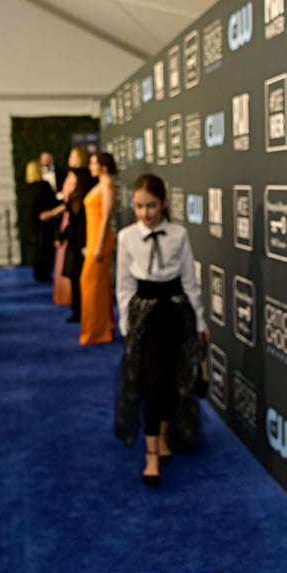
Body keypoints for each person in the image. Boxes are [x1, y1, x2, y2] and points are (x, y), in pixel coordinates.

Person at [115, 173, 209, 486]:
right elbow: (124, 286)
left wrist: (199, 320)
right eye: (139, 206)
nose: (145, 213)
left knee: (172, 379)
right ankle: (151, 455)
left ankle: (165, 437)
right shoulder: (126, 237)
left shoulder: (179, 235)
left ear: (164, 203)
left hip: (175, 313)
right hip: (145, 315)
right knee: (150, 383)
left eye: (151, 205)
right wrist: (126, 324)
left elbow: (190, 281)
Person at [79, 151, 118, 344]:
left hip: (100, 240)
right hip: (93, 239)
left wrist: (100, 246)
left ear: (103, 165)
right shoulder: (100, 185)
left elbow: (106, 218)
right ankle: (101, 327)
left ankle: (98, 331)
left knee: (92, 283)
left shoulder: (108, 186)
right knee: (96, 284)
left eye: (93, 163)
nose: (90, 166)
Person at [59, 168, 94, 322]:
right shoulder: (73, 197)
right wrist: (62, 237)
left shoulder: (87, 198)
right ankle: (77, 311)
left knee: (82, 279)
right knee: (74, 278)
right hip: (73, 242)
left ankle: (85, 311)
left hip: (83, 243)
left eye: (72, 177)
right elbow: (71, 222)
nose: (69, 181)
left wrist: (86, 245)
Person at [53, 147, 86, 306]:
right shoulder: (70, 176)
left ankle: (74, 299)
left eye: (75, 156)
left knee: (73, 264)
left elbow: (72, 203)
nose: (71, 158)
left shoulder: (82, 178)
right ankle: (68, 297)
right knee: (65, 262)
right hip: (68, 221)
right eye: (71, 155)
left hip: (75, 224)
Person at [25, 159, 59, 282]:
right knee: (46, 248)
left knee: (38, 247)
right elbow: (52, 202)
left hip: (33, 221)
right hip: (45, 221)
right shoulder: (43, 185)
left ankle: (38, 272)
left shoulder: (28, 187)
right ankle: (44, 272)